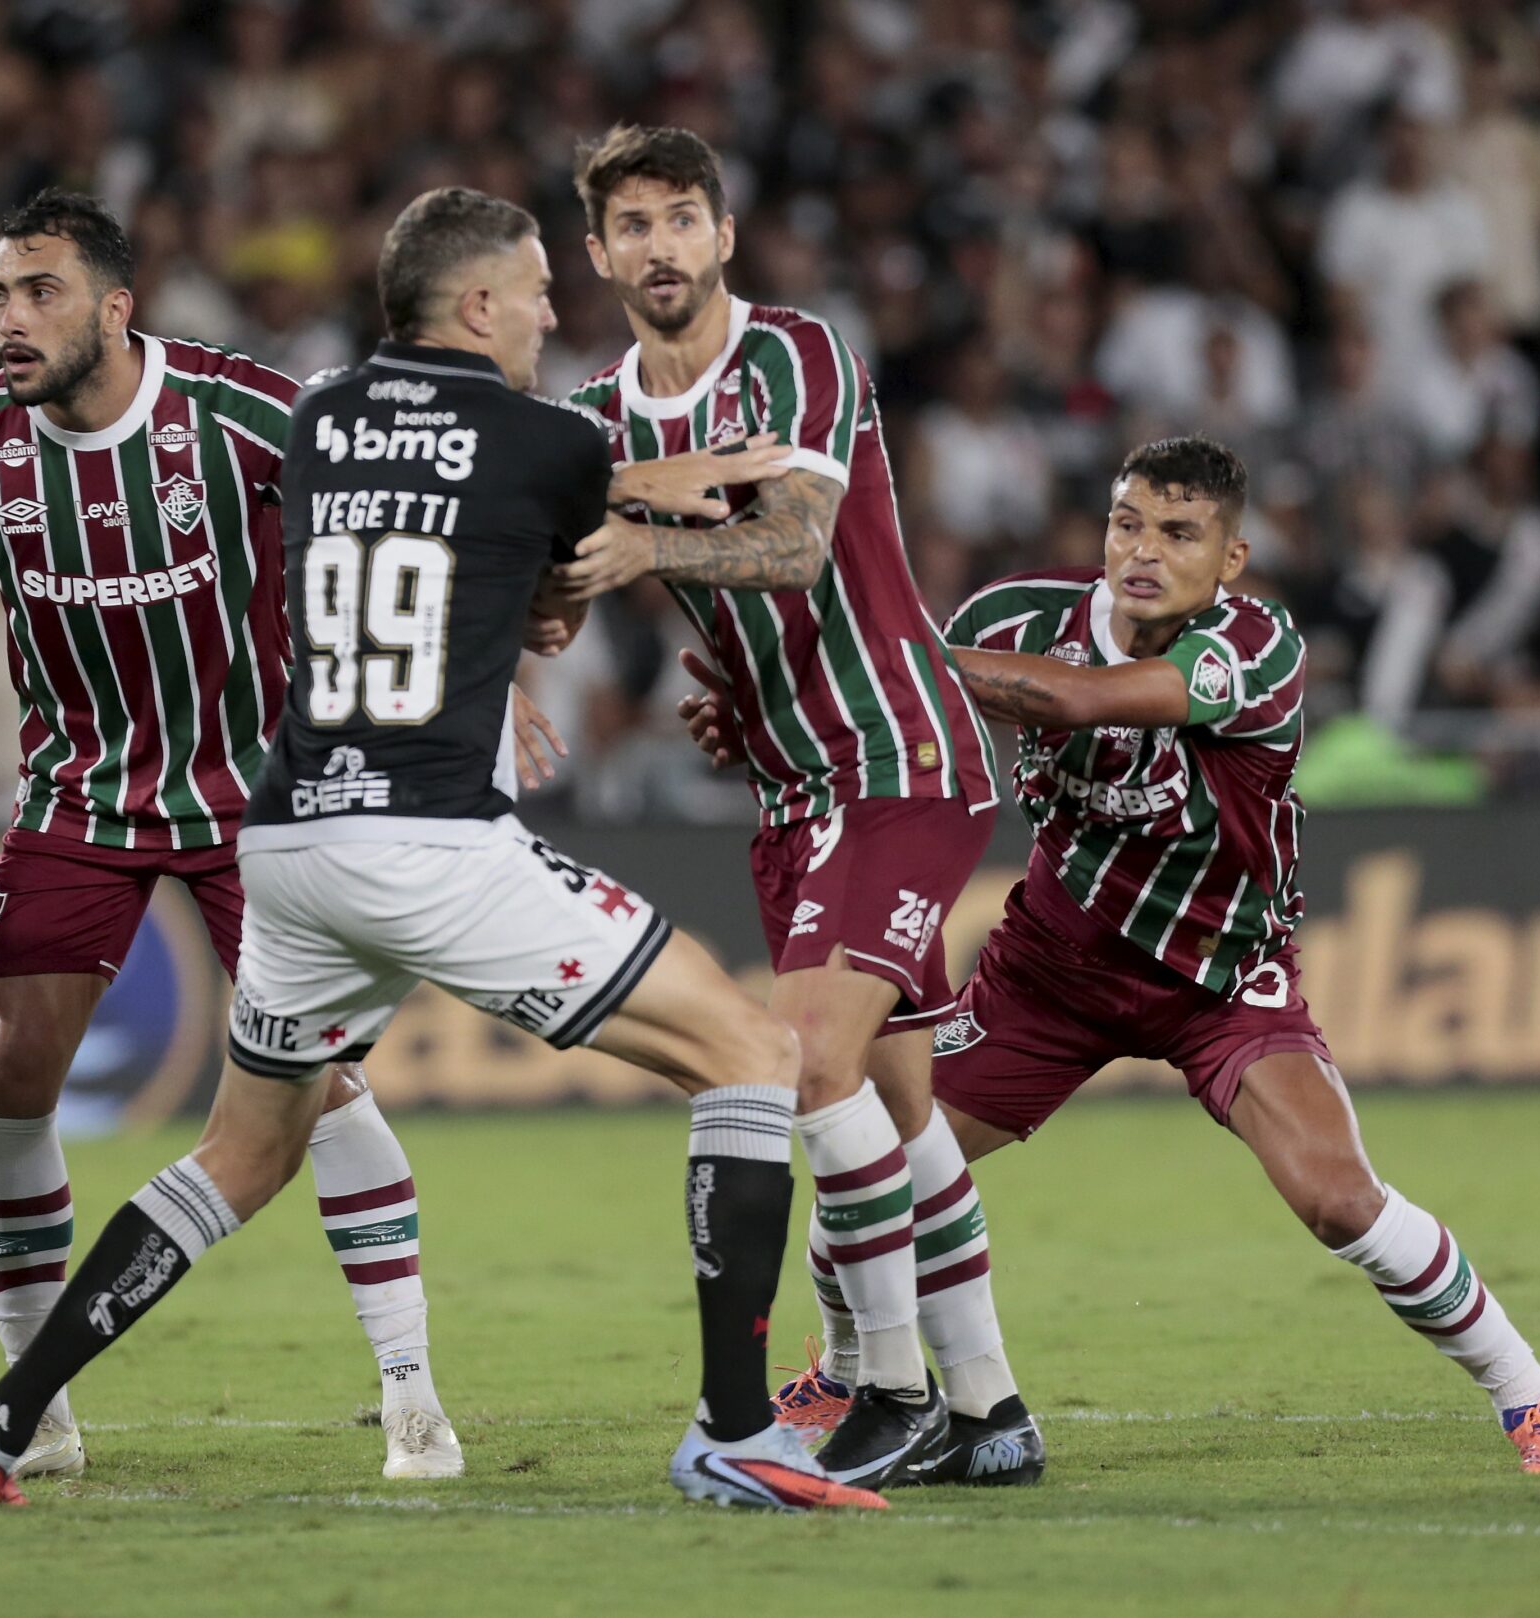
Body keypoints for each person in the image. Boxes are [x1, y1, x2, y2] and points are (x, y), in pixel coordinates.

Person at [0, 186, 884, 1516]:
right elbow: (596, 531)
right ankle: (731, 1425)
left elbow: (456, 543)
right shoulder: (537, 436)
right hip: (433, 843)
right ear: (478, 303)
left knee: (241, 1154)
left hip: (294, 838)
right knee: (755, 1053)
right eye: (540, 288)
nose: (557, 311)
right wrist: (685, 498)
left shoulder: (315, 419)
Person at [685, 435, 1540, 1478]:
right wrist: (766, 718)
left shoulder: (1252, 647)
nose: (1145, 551)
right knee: (877, 1153)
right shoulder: (1011, 618)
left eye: (1179, 533)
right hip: (1049, 969)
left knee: (1338, 1198)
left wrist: (898, 657)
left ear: (1231, 559)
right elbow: (885, 721)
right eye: (1128, 523)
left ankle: (1531, 1394)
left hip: (1217, 981)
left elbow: (1073, 700)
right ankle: (851, 1372)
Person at [0, 189, 471, 1483]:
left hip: (257, 802)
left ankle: (412, 1393)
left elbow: (395, 516)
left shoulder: (238, 412)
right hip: (78, 800)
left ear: (116, 307)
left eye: (40, 290)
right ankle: (40, 1414)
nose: (10, 317)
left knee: (321, 1080)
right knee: (8, 1079)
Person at [553, 125, 1033, 1488]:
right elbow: (562, 558)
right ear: (598, 254)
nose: (659, 246)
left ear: (724, 235)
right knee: (898, 1106)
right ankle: (993, 1409)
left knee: (802, 1063)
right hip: (790, 783)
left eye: (681, 218)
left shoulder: (794, 355)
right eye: (631, 225)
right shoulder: (595, 416)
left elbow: (796, 543)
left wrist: (638, 533)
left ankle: (892, 1389)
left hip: (896, 756)